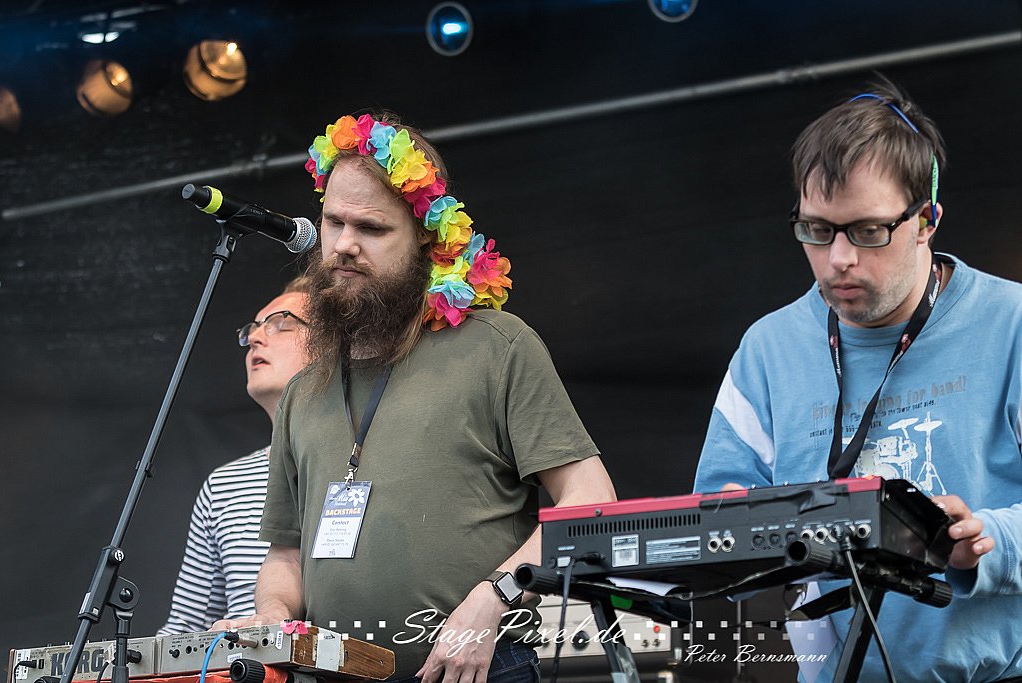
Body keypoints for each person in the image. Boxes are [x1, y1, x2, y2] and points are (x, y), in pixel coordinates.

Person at [214, 112, 616, 683]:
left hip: (479, 669)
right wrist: (274, 616)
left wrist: (494, 598)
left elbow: (589, 500)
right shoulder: (304, 390)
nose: (344, 245)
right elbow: (285, 556)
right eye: (333, 222)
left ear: (427, 239)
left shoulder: (496, 346)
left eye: (372, 229)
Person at [694, 76, 1022, 682]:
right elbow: (715, 525)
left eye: (869, 231)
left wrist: (987, 539)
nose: (839, 259)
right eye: (816, 230)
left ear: (927, 220)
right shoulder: (767, 349)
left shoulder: (1012, 324)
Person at [158, 276, 310, 634]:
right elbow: (185, 628)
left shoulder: (361, 463)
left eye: (280, 324)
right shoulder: (223, 484)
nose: (255, 338)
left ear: (333, 342)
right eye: (252, 329)